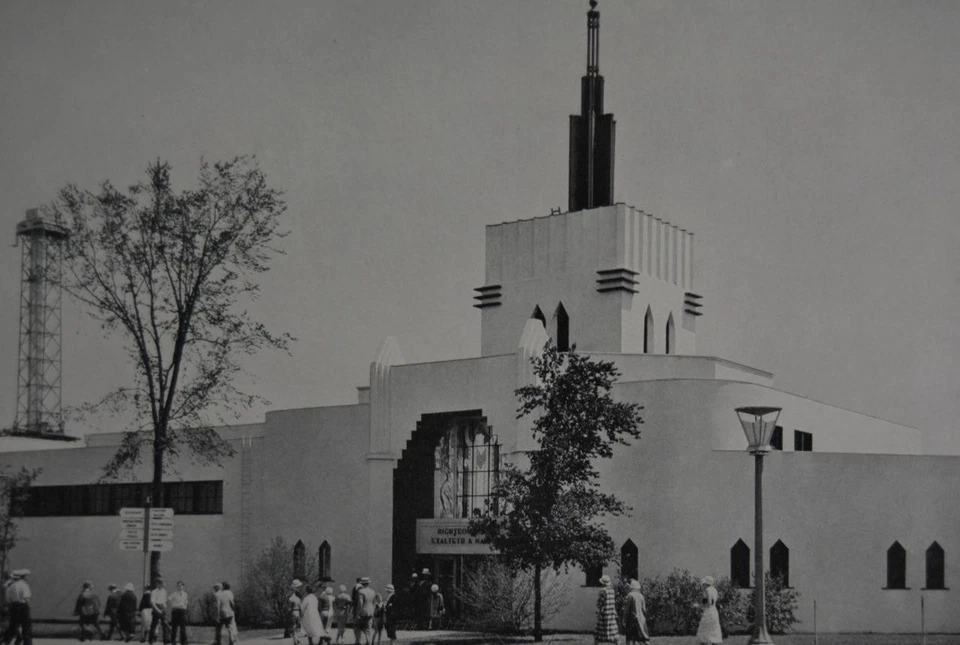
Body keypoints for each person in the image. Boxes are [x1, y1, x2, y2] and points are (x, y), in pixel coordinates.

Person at [3, 570, 32, 645]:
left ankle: (6, 640)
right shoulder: (24, 585)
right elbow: (26, 598)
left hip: (13, 607)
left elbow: (8, 599)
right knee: (26, 627)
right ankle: (27, 643)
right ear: (23, 577)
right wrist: (28, 608)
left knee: (13, 625)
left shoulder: (11, 586)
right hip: (23, 606)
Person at [695, 577, 722, 644]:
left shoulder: (707, 590)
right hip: (714, 611)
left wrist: (699, 606)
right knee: (713, 629)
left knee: (704, 629)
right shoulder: (714, 590)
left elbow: (709, 603)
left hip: (709, 612)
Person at [622, 580, 650, 645]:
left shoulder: (630, 595)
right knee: (642, 638)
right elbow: (644, 609)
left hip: (632, 620)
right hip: (641, 619)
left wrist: (624, 620)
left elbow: (627, 609)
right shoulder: (641, 596)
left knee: (629, 638)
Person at [594, 575, 619, 645]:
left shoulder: (602, 591)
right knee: (614, 633)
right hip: (611, 614)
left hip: (604, 614)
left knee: (598, 634)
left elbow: (599, 604)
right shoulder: (612, 591)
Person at [354, 578, 377, 645]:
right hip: (370, 612)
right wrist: (372, 611)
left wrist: (357, 613)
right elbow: (374, 603)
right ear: (368, 583)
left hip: (362, 612)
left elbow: (360, 603)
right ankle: (368, 641)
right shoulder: (373, 591)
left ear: (362, 583)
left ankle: (358, 641)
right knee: (368, 629)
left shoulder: (361, 591)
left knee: (357, 627)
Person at [148, 579, 169, 645]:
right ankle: (151, 640)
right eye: (162, 584)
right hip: (156, 607)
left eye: (163, 584)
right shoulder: (154, 592)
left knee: (165, 624)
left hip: (162, 608)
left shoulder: (164, 591)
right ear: (158, 584)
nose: (163, 585)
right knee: (154, 624)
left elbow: (164, 601)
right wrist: (158, 610)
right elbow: (152, 603)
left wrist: (164, 607)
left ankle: (166, 640)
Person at [287, 580, 303, 645]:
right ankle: (296, 639)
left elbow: (289, 609)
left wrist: (287, 613)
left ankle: (295, 641)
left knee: (292, 627)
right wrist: (301, 615)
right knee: (295, 627)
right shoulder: (298, 599)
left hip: (293, 612)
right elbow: (301, 608)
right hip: (298, 612)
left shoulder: (290, 599)